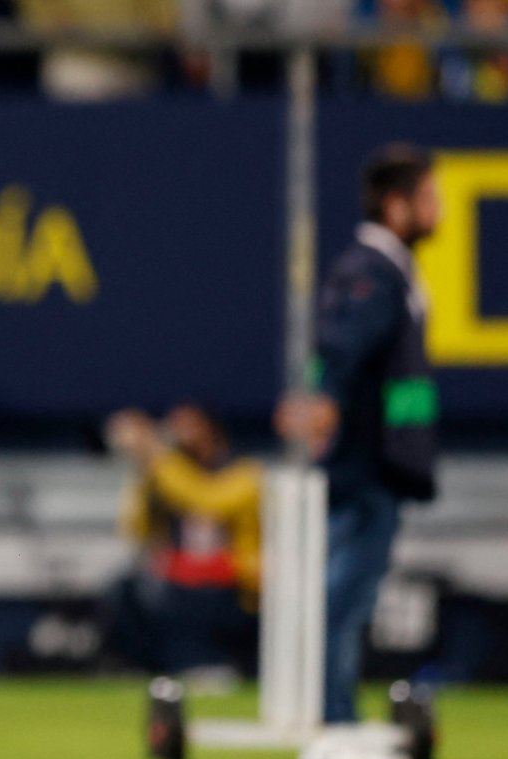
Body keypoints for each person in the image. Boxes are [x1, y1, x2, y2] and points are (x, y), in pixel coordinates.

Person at [277, 143, 442, 723]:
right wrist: (324, 400)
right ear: (396, 206)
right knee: (342, 595)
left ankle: (332, 709)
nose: (439, 210)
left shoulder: (386, 269)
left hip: (381, 457)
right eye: (429, 198)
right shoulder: (373, 270)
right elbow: (342, 345)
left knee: (348, 595)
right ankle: (332, 714)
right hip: (367, 460)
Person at [103, 404, 261, 677]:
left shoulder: (243, 472)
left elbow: (208, 501)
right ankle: (144, 666)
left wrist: (156, 454)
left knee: (198, 596)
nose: (180, 435)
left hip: (235, 580)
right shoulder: (169, 472)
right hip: (180, 578)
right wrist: (143, 465)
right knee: (126, 591)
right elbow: (136, 528)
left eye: (189, 426)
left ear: (211, 430)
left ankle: (209, 664)